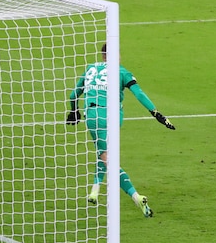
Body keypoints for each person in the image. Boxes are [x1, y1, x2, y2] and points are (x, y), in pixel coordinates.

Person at [67, 43, 175, 217]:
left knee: (105, 156)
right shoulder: (122, 72)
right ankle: (96, 190)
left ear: (102, 56)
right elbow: (139, 94)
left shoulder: (90, 69)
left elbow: (73, 95)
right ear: (115, 55)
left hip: (94, 116)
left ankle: (134, 196)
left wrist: (73, 111)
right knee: (106, 155)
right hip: (114, 116)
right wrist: (157, 114)